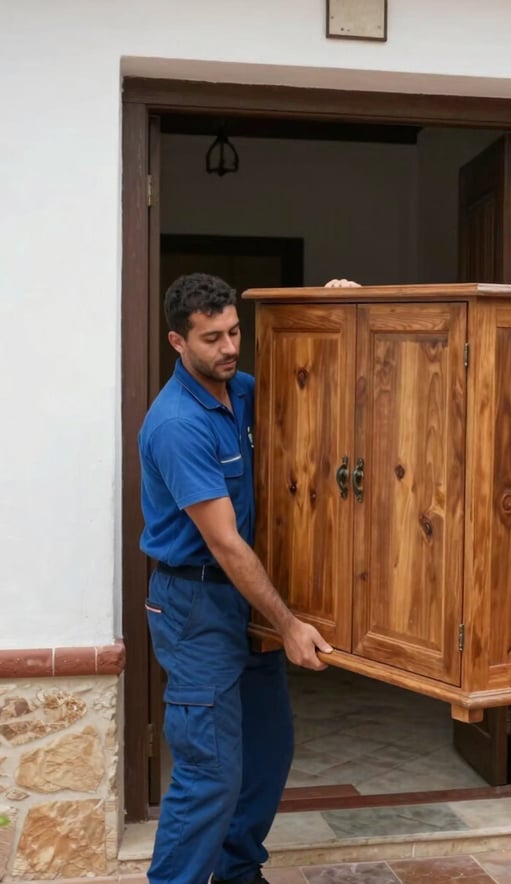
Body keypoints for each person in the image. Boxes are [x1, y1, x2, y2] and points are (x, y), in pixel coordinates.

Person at [139, 272, 333, 884]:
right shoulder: (177, 424)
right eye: (211, 338)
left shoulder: (244, 392)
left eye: (234, 332)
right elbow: (224, 542)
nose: (228, 348)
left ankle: (237, 872)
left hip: (243, 602)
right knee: (208, 774)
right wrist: (290, 622)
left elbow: (314, 372)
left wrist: (329, 308)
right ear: (177, 342)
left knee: (268, 755)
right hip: (196, 604)